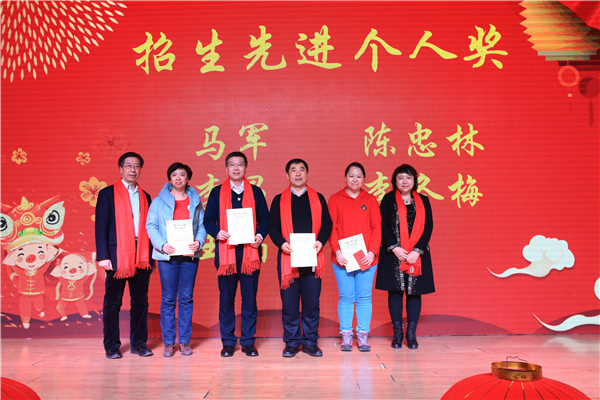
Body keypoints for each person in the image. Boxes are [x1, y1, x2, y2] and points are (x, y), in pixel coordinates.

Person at [203, 151, 269, 357]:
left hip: (250, 253)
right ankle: (228, 342)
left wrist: (259, 236)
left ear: (246, 168)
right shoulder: (217, 192)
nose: (236, 168)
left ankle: (248, 342)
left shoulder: (256, 192)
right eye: (232, 164)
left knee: (249, 300)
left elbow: (265, 220)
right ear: (226, 168)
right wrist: (217, 232)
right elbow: (208, 220)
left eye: (240, 164)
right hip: (226, 253)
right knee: (226, 300)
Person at [268, 158, 332, 358]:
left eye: (301, 170)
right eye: (293, 170)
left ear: (307, 174)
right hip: (288, 258)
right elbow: (272, 226)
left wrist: (320, 241)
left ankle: (311, 342)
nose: (298, 174)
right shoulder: (279, 200)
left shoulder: (318, 198)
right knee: (289, 304)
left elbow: (327, 224)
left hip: (312, 258)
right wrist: (282, 244)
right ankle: (292, 342)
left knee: (312, 304)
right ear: (287, 175)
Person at [95, 152, 154, 359]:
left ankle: (139, 344)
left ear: (140, 169)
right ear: (120, 169)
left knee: (140, 303)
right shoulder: (107, 194)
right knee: (113, 303)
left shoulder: (146, 196)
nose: (132, 169)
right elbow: (100, 226)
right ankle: (111, 346)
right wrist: (103, 256)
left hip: (142, 254)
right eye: (128, 165)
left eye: (136, 166)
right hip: (116, 255)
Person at [146, 162, 207, 357]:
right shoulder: (158, 201)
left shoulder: (195, 200)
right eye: (174, 174)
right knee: (168, 299)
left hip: (189, 257)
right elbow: (151, 226)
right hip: (167, 257)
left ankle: (184, 341)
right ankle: (168, 342)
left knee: (187, 298)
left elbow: (202, 226)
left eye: (182, 174)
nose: (178, 178)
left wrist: (199, 241)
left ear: (188, 178)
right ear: (169, 178)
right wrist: (162, 244)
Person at [375, 164, 434, 350]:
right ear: (395, 181)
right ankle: (397, 335)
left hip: (417, 256)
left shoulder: (423, 200)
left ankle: (411, 335)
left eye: (408, 177)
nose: (405, 181)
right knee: (395, 293)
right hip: (394, 255)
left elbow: (428, 226)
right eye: (400, 178)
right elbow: (382, 225)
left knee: (414, 293)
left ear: (414, 180)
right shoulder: (388, 199)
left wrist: (417, 250)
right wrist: (394, 248)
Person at [328, 162, 381, 352]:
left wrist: (372, 252)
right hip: (342, 258)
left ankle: (363, 335)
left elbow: (376, 227)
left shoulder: (371, 200)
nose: (355, 179)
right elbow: (331, 227)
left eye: (359, 176)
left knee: (364, 297)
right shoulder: (335, 199)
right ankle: (346, 335)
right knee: (346, 297)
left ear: (364, 179)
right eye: (351, 176)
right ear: (345, 178)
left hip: (366, 258)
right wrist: (337, 251)